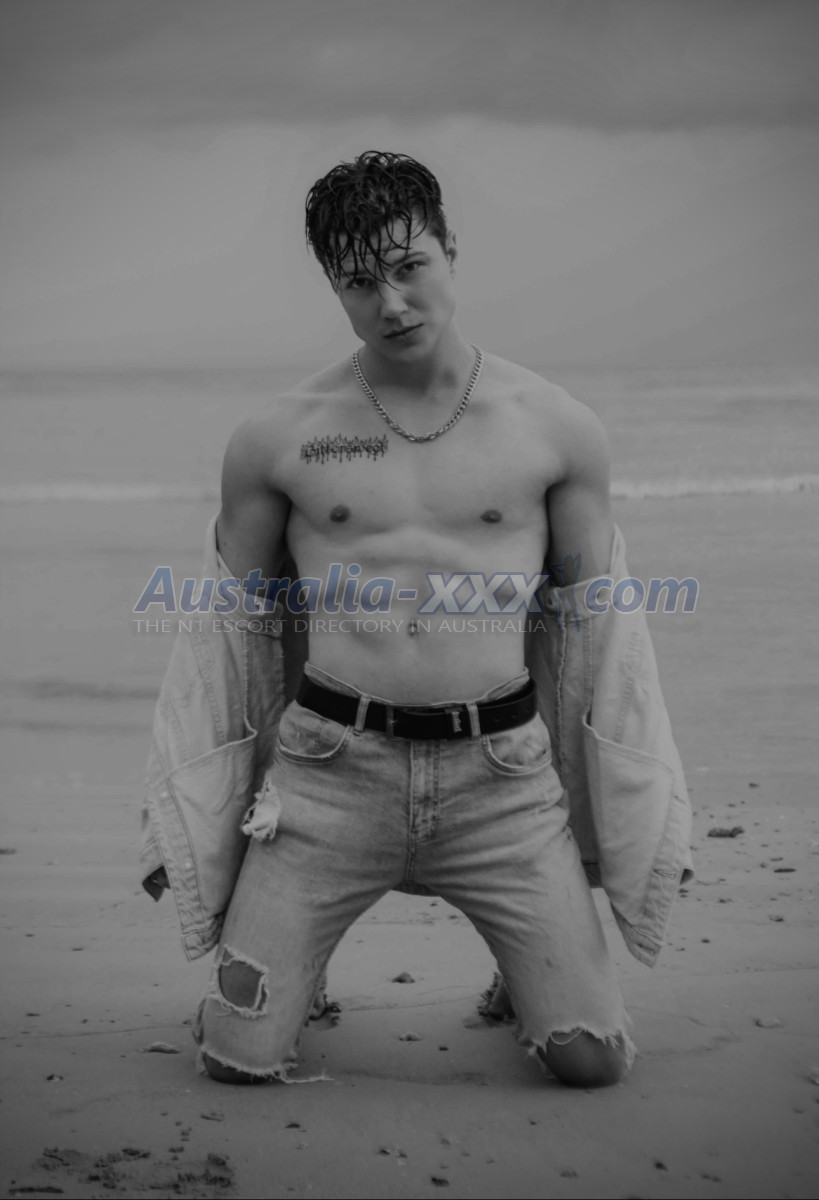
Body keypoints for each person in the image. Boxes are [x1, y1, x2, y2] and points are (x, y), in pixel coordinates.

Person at [144, 151, 692, 1089]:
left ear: (450, 252)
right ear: (334, 287)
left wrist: (636, 808)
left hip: (502, 781)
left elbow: (592, 639)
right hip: (327, 774)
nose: (391, 303)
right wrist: (191, 816)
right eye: (360, 283)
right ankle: (290, 963)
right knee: (235, 1059)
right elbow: (232, 642)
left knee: (590, 1061)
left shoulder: (553, 427)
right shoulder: (278, 437)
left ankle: (525, 969)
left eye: (409, 268)